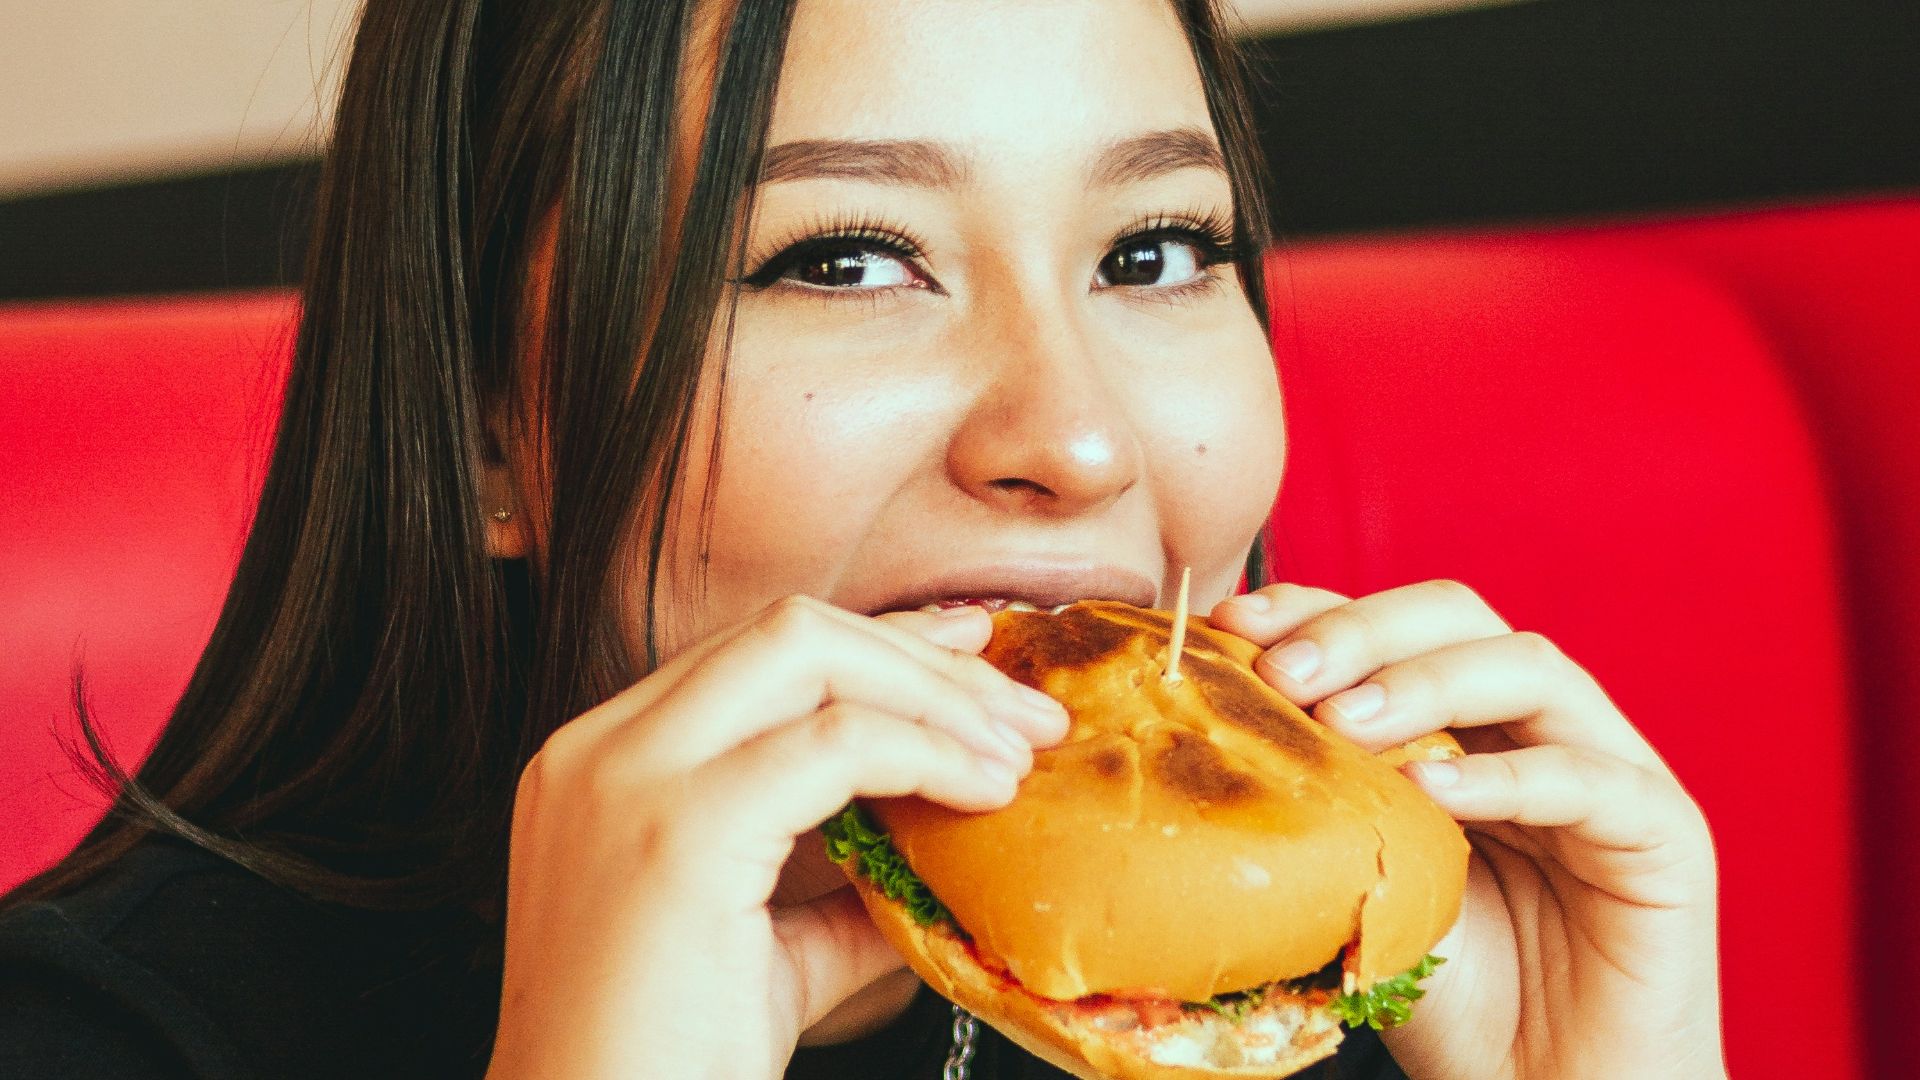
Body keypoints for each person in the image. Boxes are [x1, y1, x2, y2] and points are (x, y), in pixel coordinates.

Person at [0, 1, 1726, 1077]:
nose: (1076, 437)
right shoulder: (95, 1037)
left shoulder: (1301, 998)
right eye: (844, 257)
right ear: (484, 428)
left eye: (1154, 252)